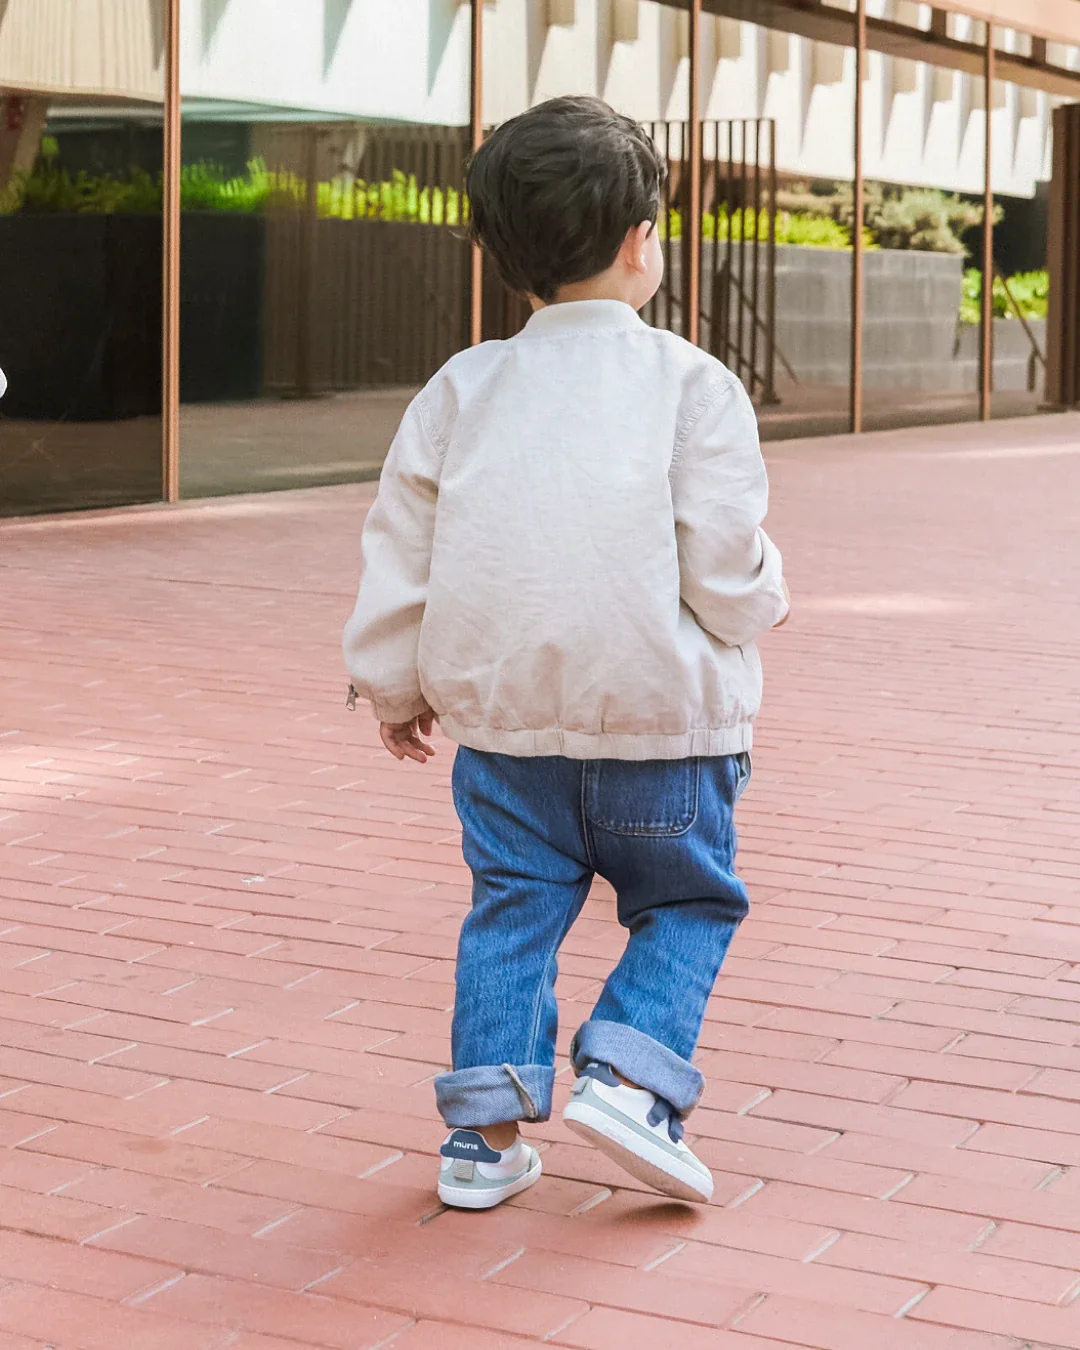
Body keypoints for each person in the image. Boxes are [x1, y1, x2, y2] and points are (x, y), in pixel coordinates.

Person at [343, 95, 788, 1211]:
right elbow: (727, 572)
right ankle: (633, 1080)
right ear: (645, 239)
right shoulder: (692, 384)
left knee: (513, 912)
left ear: (502, 256)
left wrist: (393, 686)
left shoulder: (460, 389)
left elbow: (403, 553)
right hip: (663, 732)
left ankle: (482, 1145)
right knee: (686, 905)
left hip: (506, 738)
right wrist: (764, 603)